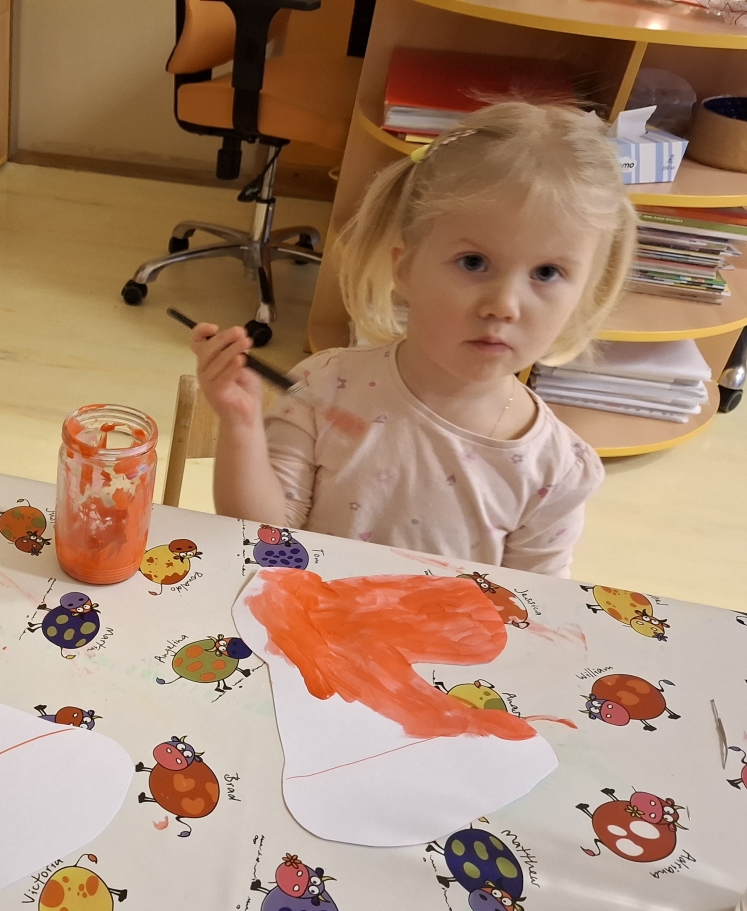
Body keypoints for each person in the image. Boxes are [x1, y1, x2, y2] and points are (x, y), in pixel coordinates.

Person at [194, 102, 636, 576]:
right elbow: (267, 539)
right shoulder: (324, 386)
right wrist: (241, 424)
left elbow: (534, 602)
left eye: (547, 272)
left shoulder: (557, 469)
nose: (504, 305)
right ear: (405, 269)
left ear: (585, 292)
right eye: (474, 263)